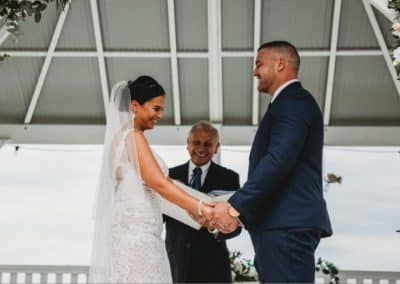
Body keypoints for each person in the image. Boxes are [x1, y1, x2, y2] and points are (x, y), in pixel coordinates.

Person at [211, 41, 333, 283]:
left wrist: (235, 207)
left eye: (259, 64)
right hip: (279, 226)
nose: (254, 71)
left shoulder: (293, 102)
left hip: (286, 228)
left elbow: (279, 160)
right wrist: (240, 216)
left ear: (280, 64)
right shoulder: (287, 103)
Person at [88, 76, 214, 283]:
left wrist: (191, 210)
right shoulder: (132, 137)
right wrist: (201, 207)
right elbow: (159, 183)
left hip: (137, 235)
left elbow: (155, 185)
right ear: (135, 105)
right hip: (138, 239)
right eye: (156, 108)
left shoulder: (123, 137)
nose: (160, 115)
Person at [165, 121, 241, 283]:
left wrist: (215, 227)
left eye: (208, 144)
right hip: (175, 264)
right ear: (188, 144)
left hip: (213, 267)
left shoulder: (229, 178)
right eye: (196, 142)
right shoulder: (169, 176)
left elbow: (236, 227)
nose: (201, 148)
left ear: (217, 147)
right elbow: (159, 217)